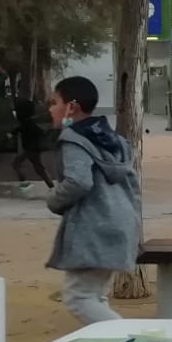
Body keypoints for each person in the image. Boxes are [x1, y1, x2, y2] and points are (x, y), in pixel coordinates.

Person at [44, 75, 142, 325]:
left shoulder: (74, 140)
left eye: (54, 102)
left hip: (94, 227)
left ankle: (127, 340)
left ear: (71, 107)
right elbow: (132, 184)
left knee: (79, 298)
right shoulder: (115, 140)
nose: (50, 109)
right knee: (96, 297)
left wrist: (54, 199)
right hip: (120, 223)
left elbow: (78, 182)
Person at [11, 90, 52, 188]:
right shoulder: (28, 123)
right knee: (37, 168)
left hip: (31, 149)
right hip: (31, 149)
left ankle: (25, 181)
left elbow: (17, 130)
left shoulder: (26, 123)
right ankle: (49, 185)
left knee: (20, 164)